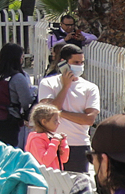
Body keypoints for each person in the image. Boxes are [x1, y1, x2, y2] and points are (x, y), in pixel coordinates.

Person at [37, 43, 101, 174]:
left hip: (78, 145)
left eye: (82, 62)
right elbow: (47, 113)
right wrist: (66, 86)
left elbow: (89, 119)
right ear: (63, 63)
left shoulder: (90, 88)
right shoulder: (47, 83)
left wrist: (59, 113)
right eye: (76, 62)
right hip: (50, 144)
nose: (80, 66)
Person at [24, 104, 69, 170]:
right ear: (44, 122)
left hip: (54, 174)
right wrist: (55, 142)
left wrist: (63, 143)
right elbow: (45, 161)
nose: (58, 123)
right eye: (55, 120)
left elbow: (64, 159)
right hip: (41, 175)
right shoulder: (35, 140)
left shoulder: (50, 138)